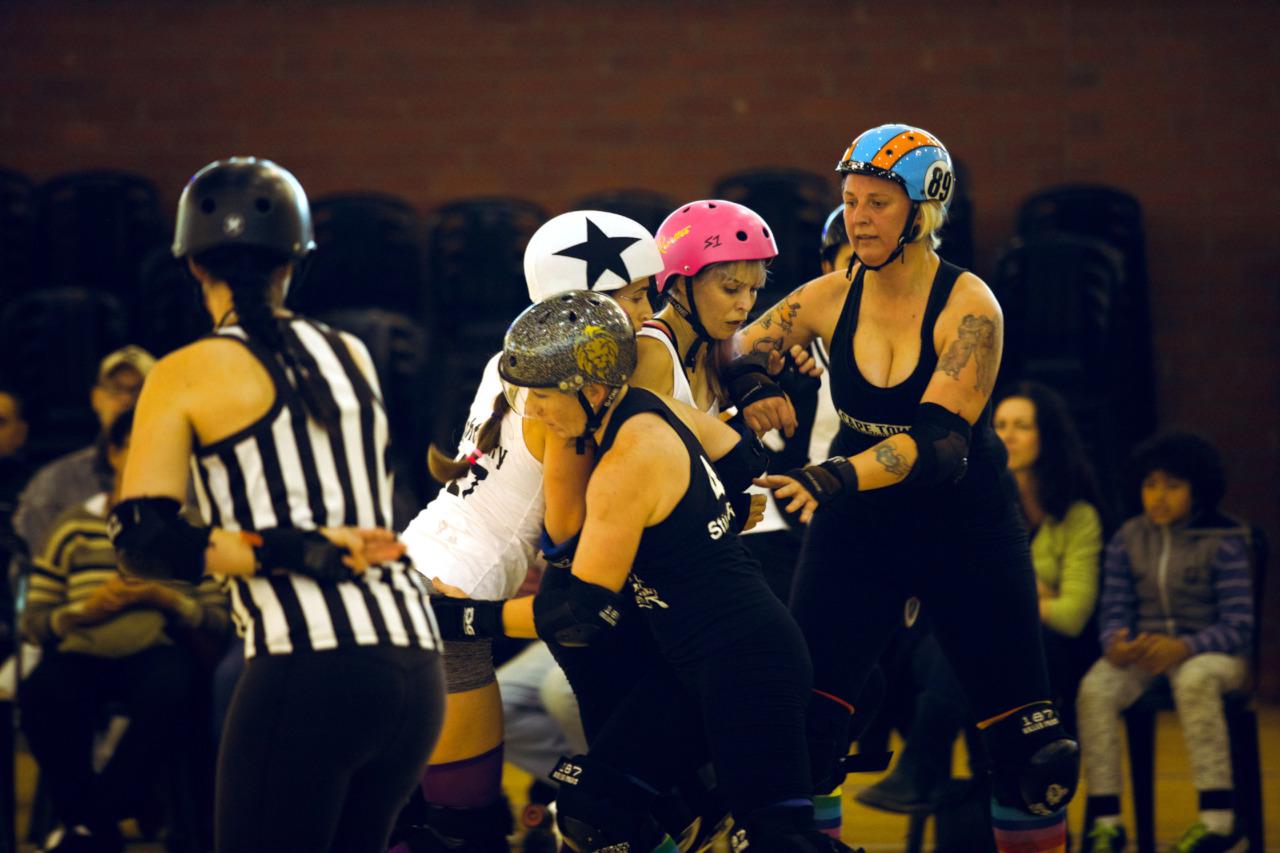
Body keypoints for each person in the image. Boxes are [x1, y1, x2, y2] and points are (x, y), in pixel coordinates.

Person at [733, 124, 1079, 853]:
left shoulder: (970, 305)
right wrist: (754, 378)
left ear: (922, 211)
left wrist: (829, 477)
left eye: (878, 203)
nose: (858, 217)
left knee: (1031, 756)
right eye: (851, 201)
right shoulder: (828, 296)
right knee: (808, 732)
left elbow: (941, 448)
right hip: (862, 531)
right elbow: (725, 343)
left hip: (966, 528)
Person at [108, 157, 444, 853]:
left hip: (310, 663)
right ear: (295, 261)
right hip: (413, 665)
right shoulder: (350, 351)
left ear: (194, 265)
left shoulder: (185, 370)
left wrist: (291, 549)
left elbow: (144, 539)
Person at [502, 290, 849, 852]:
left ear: (592, 390)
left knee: (777, 841)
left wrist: (462, 619)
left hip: (748, 665)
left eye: (541, 396)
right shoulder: (644, 402)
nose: (532, 413)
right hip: (690, 668)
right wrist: (715, 509)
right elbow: (743, 458)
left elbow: (581, 614)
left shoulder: (625, 459)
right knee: (595, 809)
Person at [394, 209, 663, 852]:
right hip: (456, 592)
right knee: (463, 832)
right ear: (580, 307)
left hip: (417, 554)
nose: (649, 309)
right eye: (632, 295)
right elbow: (566, 528)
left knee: (400, 816)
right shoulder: (569, 384)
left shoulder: (504, 358)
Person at [20, 407, 229, 853]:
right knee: (42, 692)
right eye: (139, 447)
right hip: (82, 645)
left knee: (174, 688)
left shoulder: (190, 528)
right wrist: (82, 612)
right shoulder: (74, 524)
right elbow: (35, 620)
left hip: (158, 647)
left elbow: (220, 617)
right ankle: (98, 822)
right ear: (113, 454)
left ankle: (87, 822)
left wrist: (164, 599)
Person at [1077, 431, 1253, 853]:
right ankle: (1107, 821)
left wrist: (1188, 646)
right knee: (1094, 690)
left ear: (1199, 489)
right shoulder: (1127, 538)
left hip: (1215, 656)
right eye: (1150, 484)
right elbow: (1114, 607)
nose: (1159, 496)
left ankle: (1218, 821)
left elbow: (1240, 624)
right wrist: (1115, 643)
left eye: (1173, 486)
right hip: (1147, 652)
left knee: (1194, 678)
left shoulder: (1224, 541)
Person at [13, 345, 154, 556]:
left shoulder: (190, 479)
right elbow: (40, 564)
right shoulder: (55, 482)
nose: (127, 400)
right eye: (116, 388)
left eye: (139, 389)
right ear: (95, 397)